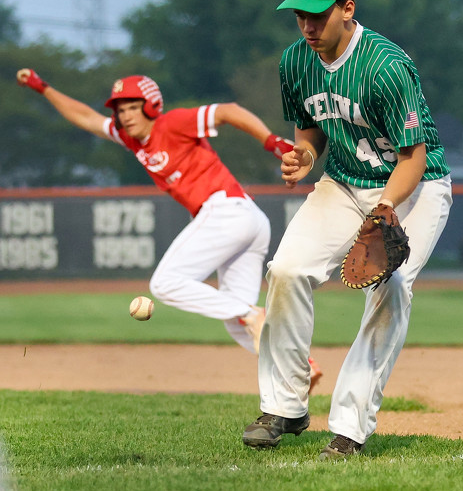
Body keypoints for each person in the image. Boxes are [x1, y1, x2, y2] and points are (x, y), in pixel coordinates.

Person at [242, 0, 452, 458]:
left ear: (347, 8)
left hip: (414, 187)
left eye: (318, 13)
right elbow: (311, 127)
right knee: (287, 269)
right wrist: (306, 156)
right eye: (300, 14)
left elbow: (413, 157)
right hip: (344, 182)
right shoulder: (294, 62)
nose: (309, 25)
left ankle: (350, 429)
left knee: (393, 285)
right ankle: (285, 407)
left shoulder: (385, 65)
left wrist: (384, 209)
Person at [16, 68, 323, 388]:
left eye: (133, 106)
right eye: (121, 110)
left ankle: (251, 314)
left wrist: (271, 141)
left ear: (151, 105)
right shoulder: (131, 139)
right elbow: (85, 117)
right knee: (235, 324)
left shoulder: (172, 123)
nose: (126, 115)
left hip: (227, 211)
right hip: (242, 219)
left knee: (164, 284)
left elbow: (229, 112)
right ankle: (300, 366)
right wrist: (42, 88)